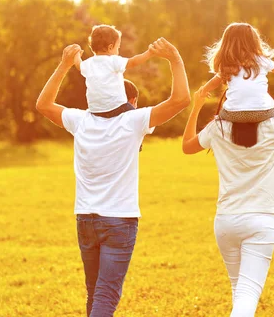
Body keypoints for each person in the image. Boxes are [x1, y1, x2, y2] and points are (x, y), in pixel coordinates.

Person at [36, 38, 190, 317]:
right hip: (119, 220)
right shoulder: (132, 121)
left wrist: (63, 66)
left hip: (86, 218)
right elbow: (180, 100)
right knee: (105, 295)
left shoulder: (81, 121)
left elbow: (44, 105)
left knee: (95, 292)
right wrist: (175, 59)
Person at [182, 77, 274, 317]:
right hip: (261, 222)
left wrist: (197, 106)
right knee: (246, 296)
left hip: (226, 222)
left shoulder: (217, 127)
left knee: (240, 293)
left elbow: (187, 146)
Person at [201, 22, 274, 180]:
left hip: (232, 114)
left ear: (227, 43)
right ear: (253, 41)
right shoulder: (260, 60)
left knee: (218, 122)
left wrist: (203, 91)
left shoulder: (227, 64)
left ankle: (226, 153)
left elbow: (214, 82)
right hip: (263, 112)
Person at [74, 24, 153, 115]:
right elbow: (133, 62)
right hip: (116, 107)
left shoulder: (88, 63)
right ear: (110, 47)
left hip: (95, 110)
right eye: (117, 47)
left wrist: (76, 55)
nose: (118, 51)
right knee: (135, 116)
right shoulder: (113, 60)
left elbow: (78, 65)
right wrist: (149, 53)